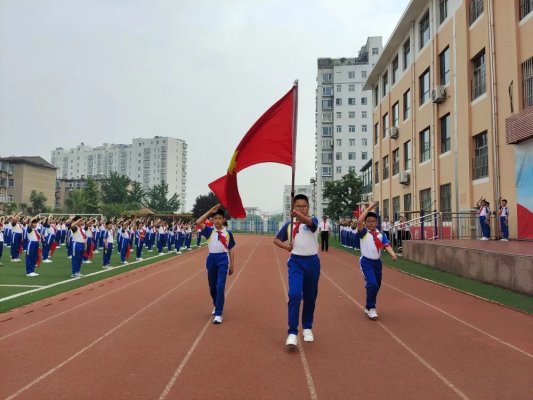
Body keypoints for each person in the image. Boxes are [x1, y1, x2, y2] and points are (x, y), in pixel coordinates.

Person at [273, 194, 320, 348]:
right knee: (294, 294)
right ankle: (292, 332)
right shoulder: (288, 225)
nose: (301, 208)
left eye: (304, 206)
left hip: (312, 262)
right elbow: (276, 239)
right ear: (293, 207)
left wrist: (298, 215)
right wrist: (286, 247)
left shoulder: (313, 221)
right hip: (296, 263)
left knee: (310, 297)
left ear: (308, 208)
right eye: (298, 206)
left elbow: (308, 222)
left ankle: (307, 327)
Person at [355, 202, 397, 320]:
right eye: (369, 221)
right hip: (366, 262)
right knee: (372, 283)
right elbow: (359, 222)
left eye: (373, 221)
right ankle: (371, 307)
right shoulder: (364, 233)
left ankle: (368, 306)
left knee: (376, 285)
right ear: (366, 222)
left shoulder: (380, 234)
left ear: (376, 222)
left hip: (377, 263)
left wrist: (393, 254)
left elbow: (386, 245)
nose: (371, 223)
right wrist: (369, 208)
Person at [196, 204, 235, 324]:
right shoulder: (209, 231)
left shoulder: (228, 233)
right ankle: (216, 304)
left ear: (224, 220)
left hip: (223, 259)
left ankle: (218, 313)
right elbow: (198, 221)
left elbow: (231, 249)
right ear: (212, 220)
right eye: (215, 218)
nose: (217, 221)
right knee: (212, 287)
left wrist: (232, 265)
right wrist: (210, 211)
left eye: (219, 218)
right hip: (211, 259)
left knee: (220, 286)